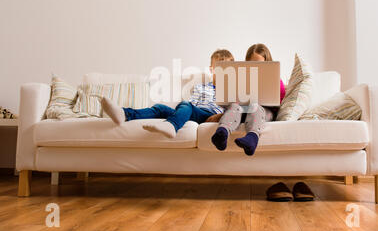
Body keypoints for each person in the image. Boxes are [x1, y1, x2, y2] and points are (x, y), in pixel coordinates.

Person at [101, 49, 234, 138]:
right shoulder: (200, 87)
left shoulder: (231, 90)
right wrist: (187, 110)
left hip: (213, 116)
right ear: (211, 69)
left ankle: (172, 125)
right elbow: (193, 106)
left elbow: (235, 110)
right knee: (161, 108)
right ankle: (125, 114)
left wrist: (220, 116)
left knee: (185, 104)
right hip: (197, 114)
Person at [210, 44, 285, 156]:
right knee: (235, 105)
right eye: (253, 65)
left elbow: (278, 100)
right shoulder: (242, 78)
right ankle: (222, 133)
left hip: (263, 111)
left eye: (260, 65)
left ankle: (252, 138)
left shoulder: (276, 80)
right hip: (243, 109)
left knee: (255, 107)